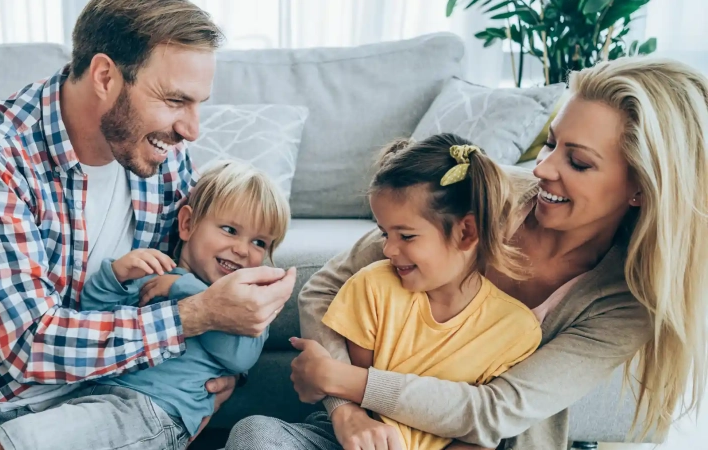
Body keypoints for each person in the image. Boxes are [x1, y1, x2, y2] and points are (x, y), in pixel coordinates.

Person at [0, 1, 296, 449]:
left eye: (198, 103)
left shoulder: (161, 157)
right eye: (174, 100)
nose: (192, 129)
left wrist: (216, 379)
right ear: (105, 76)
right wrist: (195, 317)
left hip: (97, 405)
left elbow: (197, 277)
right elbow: (31, 344)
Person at [228, 56, 708, 450]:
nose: (543, 169)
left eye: (577, 162)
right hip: (365, 431)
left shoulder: (624, 304)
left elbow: (494, 411)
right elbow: (328, 287)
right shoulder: (482, 192)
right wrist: (346, 414)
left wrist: (345, 382)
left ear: (641, 189)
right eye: (551, 144)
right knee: (253, 436)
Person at [0, 161, 291, 450]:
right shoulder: (154, 272)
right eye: (230, 230)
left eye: (259, 243)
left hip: (151, 412)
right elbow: (91, 314)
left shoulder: (247, 304)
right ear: (187, 224)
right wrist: (116, 277)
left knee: (19, 443)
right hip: (93, 396)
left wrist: (184, 289)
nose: (241, 249)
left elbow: (240, 358)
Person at [302, 133, 543, 450]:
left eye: (406, 236)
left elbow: (479, 435)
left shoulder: (516, 329)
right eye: (384, 233)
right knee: (255, 432)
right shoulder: (372, 287)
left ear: (466, 232)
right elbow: (359, 402)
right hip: (347, 439)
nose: (388, 249)